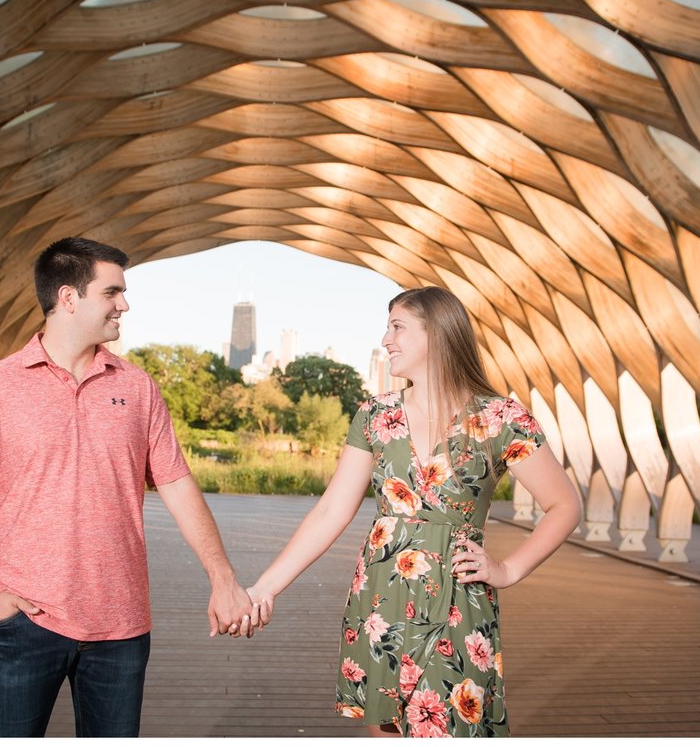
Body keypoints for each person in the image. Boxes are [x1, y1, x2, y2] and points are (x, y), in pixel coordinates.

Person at [0, 237, 257, 738]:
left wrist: (223, 577)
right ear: (68, 298)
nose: (124, 304)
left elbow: (177, 484)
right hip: (22, 624)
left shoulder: (138, 387)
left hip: (120, 629)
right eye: (112, 292)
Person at [234, 284, 582, 737]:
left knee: (456, 726)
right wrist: (266, 588)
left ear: (436, 334)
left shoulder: (502, 419)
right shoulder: (376, 416)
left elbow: (564, 505)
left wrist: (509, 569)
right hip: (381, 601)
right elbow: (331, 512)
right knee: (386, 731)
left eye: (397, 326)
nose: (385, 340)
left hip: (459, 604)